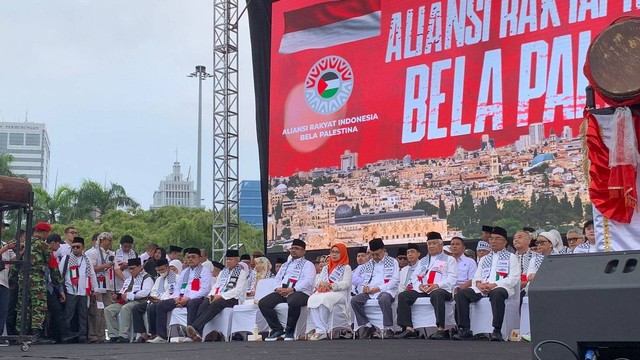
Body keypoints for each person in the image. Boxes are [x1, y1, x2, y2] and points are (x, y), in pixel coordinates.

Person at [453, 227, 520, 341]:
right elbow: (476, 276)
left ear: (505, 242)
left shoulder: (511, 257)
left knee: (497, 293)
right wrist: (479, 284)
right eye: (492, 239)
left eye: (497, 239)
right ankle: (464, 329)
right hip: (482, 288)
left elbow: (513, 278)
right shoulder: (484, 258)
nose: (493, 241)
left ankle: (497, 330)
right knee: (461, 294)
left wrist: (494, 285)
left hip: (501, 287)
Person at [396, 232, 457, 340]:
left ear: (441, 245)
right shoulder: (423, 260)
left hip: (442, 290)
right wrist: (419, 286)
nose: (431, 246)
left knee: (437, 294)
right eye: (429, 244)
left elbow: (452, 278)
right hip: (424, 290)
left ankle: (441, 329)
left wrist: (436, 285)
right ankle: (409, 328)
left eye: (434, 243)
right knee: (403, 296)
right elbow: (414, 277)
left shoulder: (449, 259)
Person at [15, 222, 65, 344]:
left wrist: (13, 278)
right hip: (37, 280)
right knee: (38, 306)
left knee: (23, 305)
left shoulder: (24, 244)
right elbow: (53, 266)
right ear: (44, 233)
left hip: (23, 279)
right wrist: (59, 285)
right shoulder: (44, 246)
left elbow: (16, 263)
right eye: (48, 233)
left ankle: (20, 334)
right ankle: (36, 334)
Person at [149, 247, 212, 343]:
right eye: (189, 257)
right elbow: (177, 288)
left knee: (192, 303)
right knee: (161, 305)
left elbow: (205, 290)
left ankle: (190, 335)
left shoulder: (204, 271)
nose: (190, 259)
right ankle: (162, 336)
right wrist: (177, 298)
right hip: (181, 298)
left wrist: (188, 298)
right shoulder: (184, 272)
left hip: (197, 298)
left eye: (193, 257)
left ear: (199, 258)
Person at [185, 249, 248, 342]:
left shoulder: (242, 273)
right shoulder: (223, 272)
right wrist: (211, 296)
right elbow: (216, 285)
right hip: (218, 296)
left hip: (233, 298)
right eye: (227, 259)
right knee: (204, 303)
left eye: (231, 259)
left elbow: (238, 290)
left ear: (237, 260)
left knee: (216, 304)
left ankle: (195, 328)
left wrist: (221, 296)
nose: (228, 261)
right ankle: (198, 334)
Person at [259, 239, 315, 341]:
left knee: (293, 301)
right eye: (292, 248)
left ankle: (290, 331)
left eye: (296, 249)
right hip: (283, 291)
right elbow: (277, 279)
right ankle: (278, 329)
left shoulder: (308, 265)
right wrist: (278, 288)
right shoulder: (285, 265)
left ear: (303, 251)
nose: (293, 250)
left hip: (300, 292)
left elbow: (309, 281)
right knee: (263, 303)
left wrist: (293, 289)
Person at [351, 238, 400, 340]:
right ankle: (368, 325)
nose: (374, 257)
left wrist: (379, 289)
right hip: (370, 292)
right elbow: (365, 279)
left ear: (383, 251)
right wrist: (365, 287)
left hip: (386, 290)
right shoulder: (369, 263)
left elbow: (395, 281)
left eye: (377, 254)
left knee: (384, 298)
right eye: (372, 255)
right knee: (355, 300)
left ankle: (388, 328)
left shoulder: (392, 261)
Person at [308, 243, 352, 340]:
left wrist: (331, 286)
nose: (334, 254)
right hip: (325, 291)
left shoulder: (346, 267)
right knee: (312, 299)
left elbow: (346, 283)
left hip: (339, 294)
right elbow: (318, 281)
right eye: (332, 252)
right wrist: (321, 284)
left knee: (324, 299)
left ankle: (321, 331)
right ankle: (320, 329)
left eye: (337, 252)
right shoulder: (326, 267)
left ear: (343, 253)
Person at [104, 258, 154, 343]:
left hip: (140, 301)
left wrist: (129, 295)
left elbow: (145, 292)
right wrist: (118, 296)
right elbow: (123, 290)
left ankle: (123, 335)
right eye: (129, 269)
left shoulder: (147, 278)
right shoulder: (129, 279)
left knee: (126, 308)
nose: (131, 271)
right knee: (108, 310)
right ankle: (113, 335)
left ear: (139, 267)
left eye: (133, 268)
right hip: (126, 301)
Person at [58, 236, 98, 343]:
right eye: (73, 247)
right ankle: (66, 335)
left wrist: (95, 289)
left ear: (83, 247)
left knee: (83, 315)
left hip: (84, 291)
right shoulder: (66, 259)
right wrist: (61, 290)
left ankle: (82, 336)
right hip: (71, 291)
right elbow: (59, 275)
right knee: (68, 314)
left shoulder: (87, 259)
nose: (75, 248)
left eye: (77, 247)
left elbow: (92, 275)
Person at [131, 258, 178, 342]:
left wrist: (161, 299)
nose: (161, 272)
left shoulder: (175, 278)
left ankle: (155, 334)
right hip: (156, 300)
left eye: (162, 269)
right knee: (136, 308)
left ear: (167, 267)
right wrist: (154, 297)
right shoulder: (159, 279)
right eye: (158, 270)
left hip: (167, 300)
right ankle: (143, 333)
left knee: (152, 308)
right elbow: (153, 291)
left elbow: (174, 292)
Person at [86, 232, 116, 343]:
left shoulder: (111, 254)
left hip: (108, 285)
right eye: (107, 240)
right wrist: (105, 266)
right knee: (96, 311)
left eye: (111, 240)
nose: (109, 242)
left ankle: (102, 335)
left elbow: (116, 268)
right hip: (97, 285)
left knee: (106, 310)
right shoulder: (93, 253)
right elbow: (91, 269)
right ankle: (93, 335)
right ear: (101, 240)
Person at [0, 236, 17, 346]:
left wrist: (21, 249)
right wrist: (6, 248)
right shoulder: (5, 246)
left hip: (4, 281)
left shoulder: (4, 243)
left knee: (3, 311)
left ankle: (0, 335)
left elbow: (14, 260)